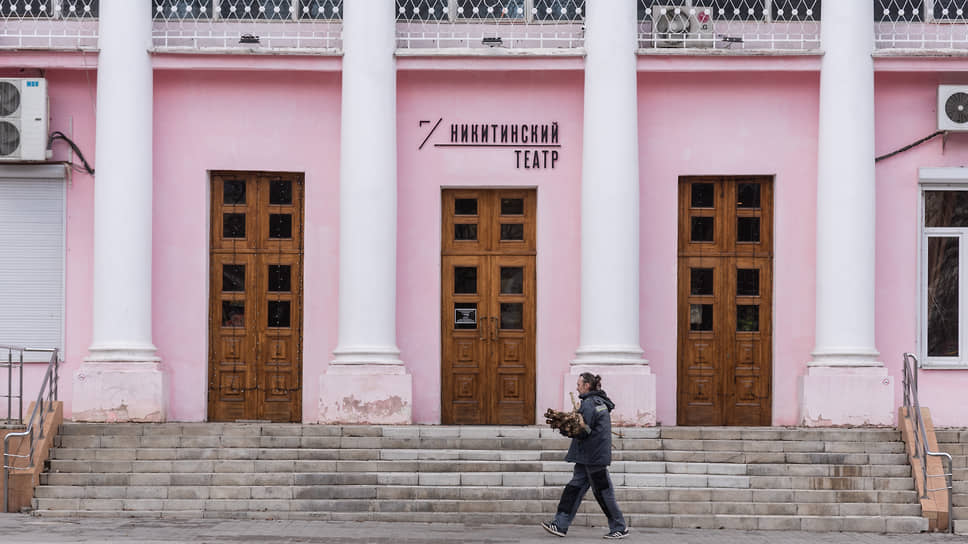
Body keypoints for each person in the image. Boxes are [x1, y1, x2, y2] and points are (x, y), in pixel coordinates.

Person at [542, 373, 629, 539]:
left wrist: (564, 427)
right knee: (573, 490)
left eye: (579, 384)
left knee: (603, 493)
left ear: (587, 385)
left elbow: (583, 431)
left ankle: (620, 527)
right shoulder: (600, 403)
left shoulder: (590, 404)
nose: (577, 387)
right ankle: (560, 524)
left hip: (593, 458)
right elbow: (590, 429)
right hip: (588, 456)